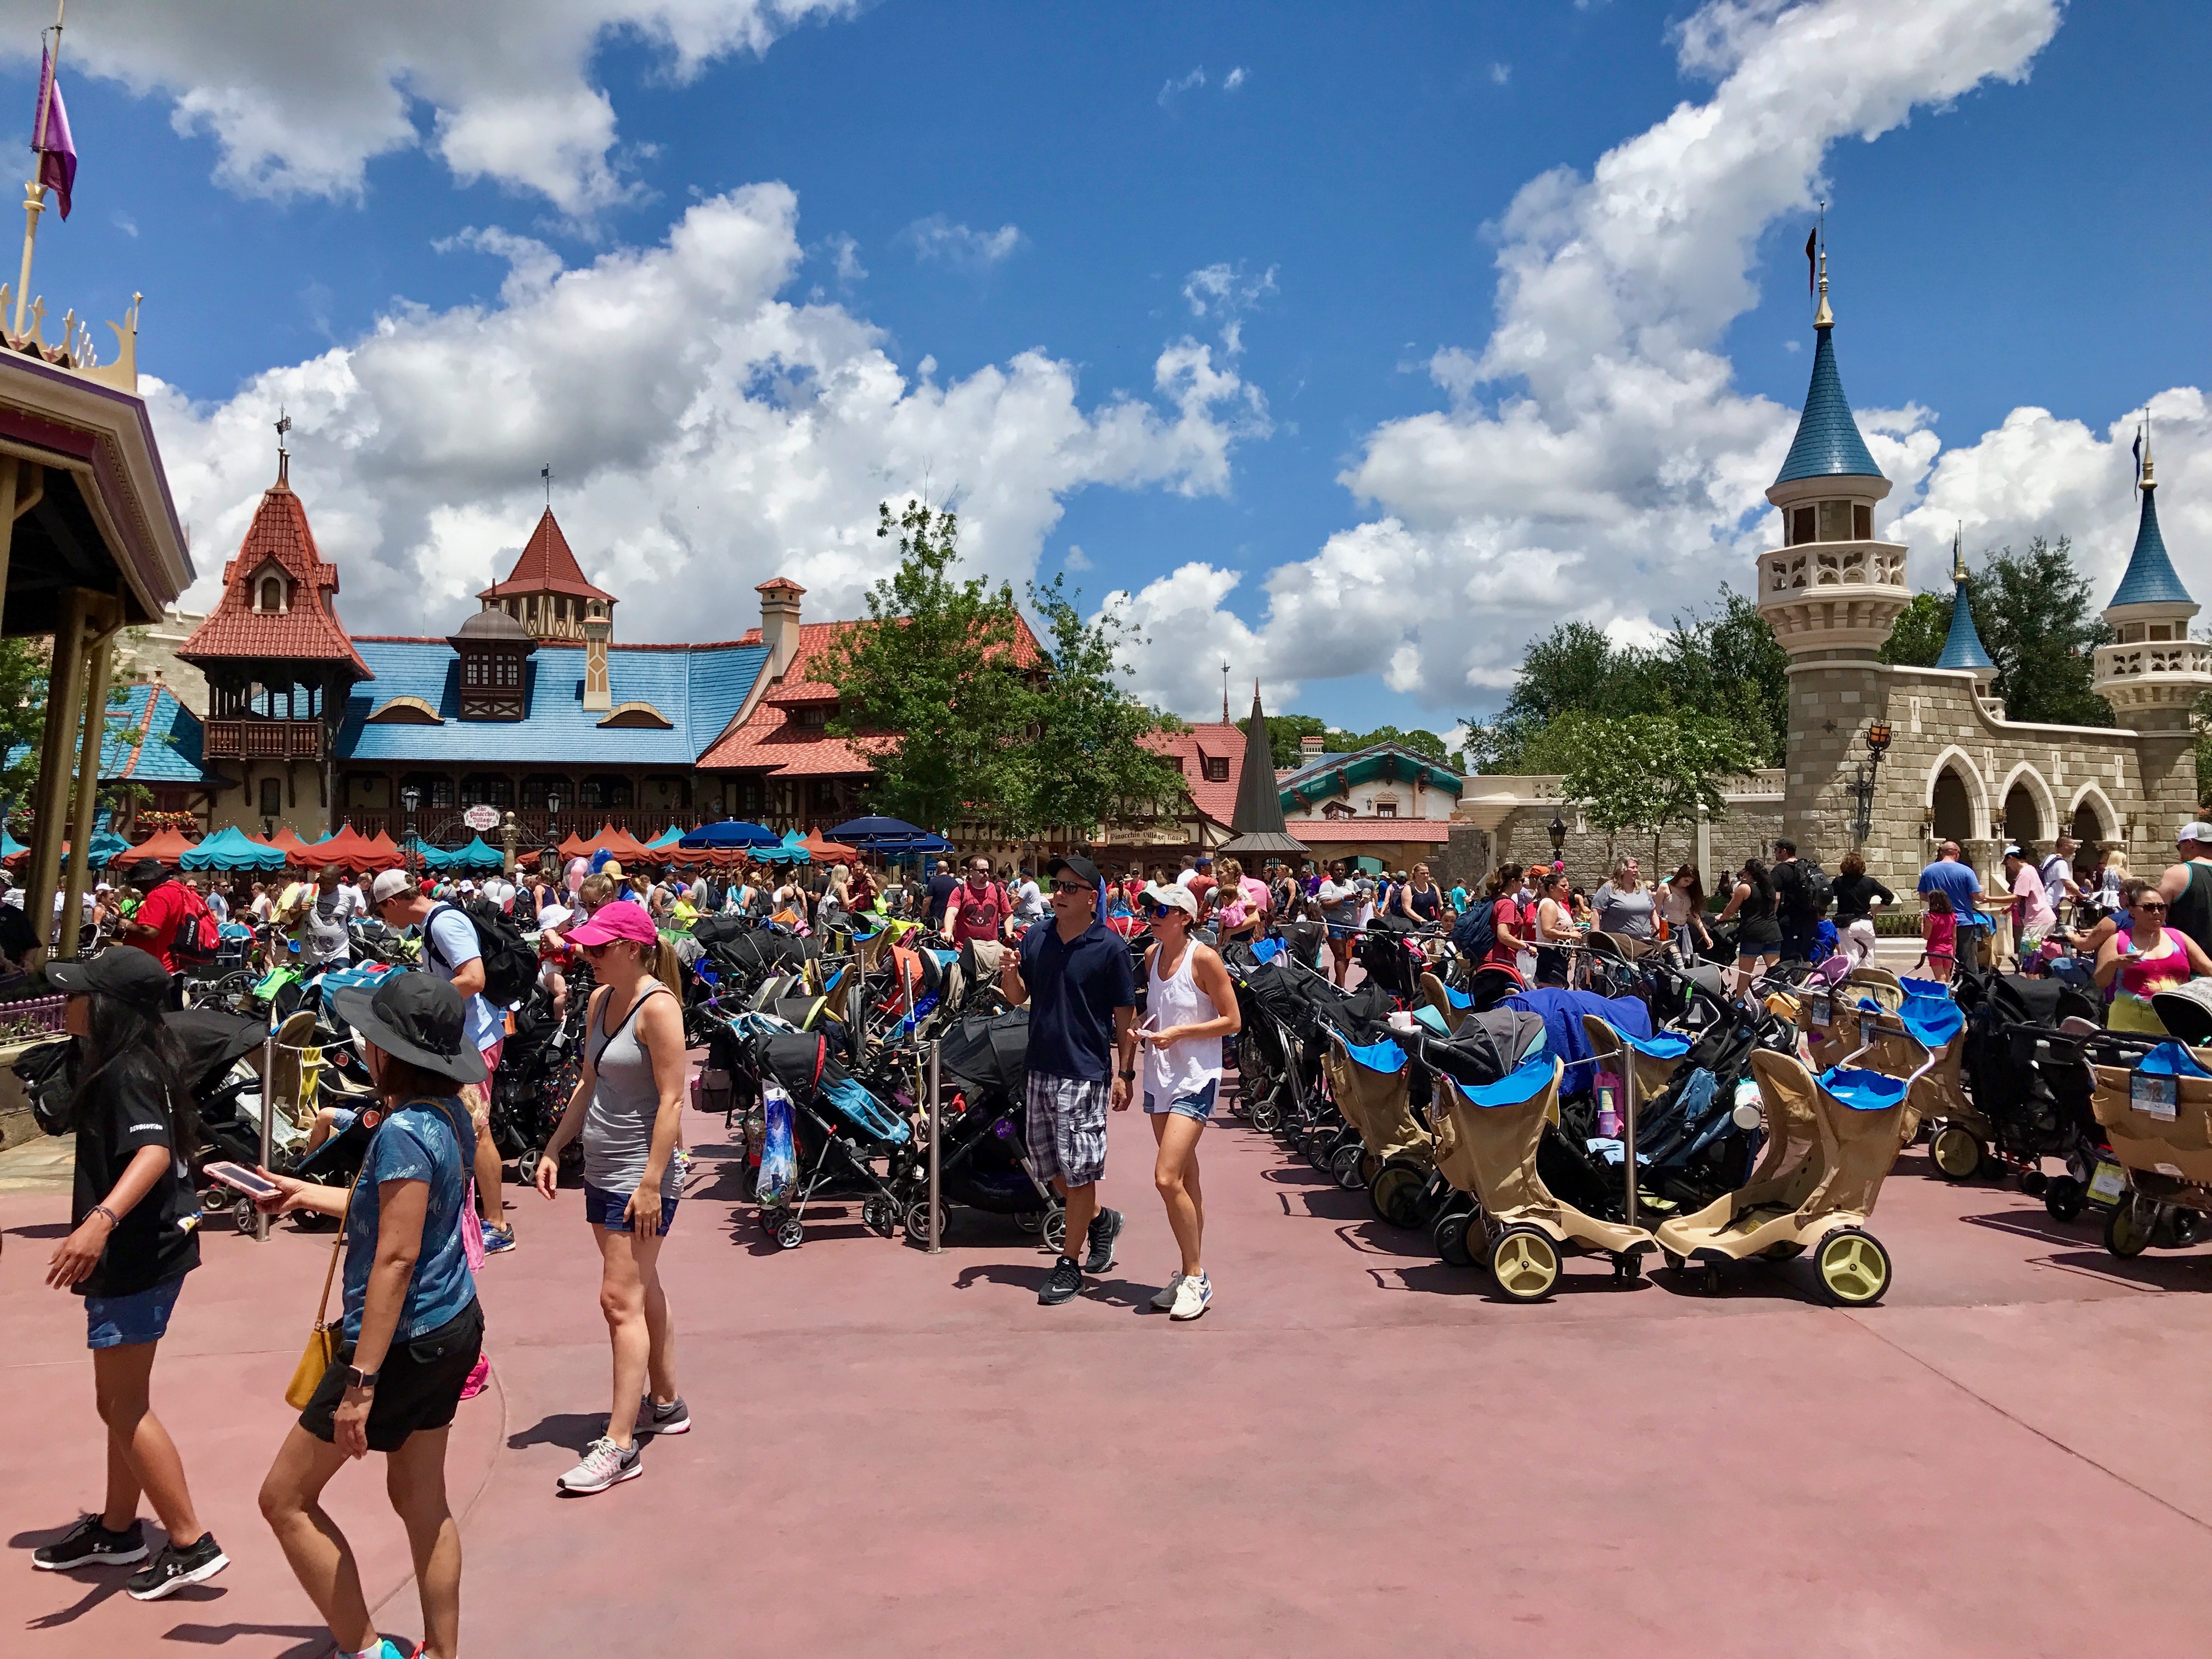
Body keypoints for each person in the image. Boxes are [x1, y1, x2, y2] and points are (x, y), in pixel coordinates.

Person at [254, 973, 485, 1659]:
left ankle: (369, 1651)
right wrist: (302, 1192)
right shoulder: (451, 1115)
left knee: (285, 1500)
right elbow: (399, 1212)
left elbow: (395, 1256)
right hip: (452, 1324)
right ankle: (442, 1652)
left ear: (391, 1052)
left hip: (400, 1343)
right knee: (422, 1499)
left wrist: (360, 1383)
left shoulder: (405, 1132)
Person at [31, 950, 227, 1600]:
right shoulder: (134, 1060)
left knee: (123, 1404)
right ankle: (119, 1530)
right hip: (155, 1249)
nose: (68, 1002)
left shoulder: (127, 1072)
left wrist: (100, 1220)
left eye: (80, 993)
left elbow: (152, 1149)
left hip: (138, 1254)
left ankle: (190, 1542)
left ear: (109, 1007)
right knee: (118, 1401)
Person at [530, 901, 691, 1492]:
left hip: (639, 1177)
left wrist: (651, 1182)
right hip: (601, 1168)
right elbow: (588, 1083)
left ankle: (621, 1446)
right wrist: (553, 1147)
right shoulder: (600, 1002)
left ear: (632, 948)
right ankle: (667, 1402)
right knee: (640, 1288)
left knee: (617, 1301)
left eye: (598, 949)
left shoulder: (660, 1010)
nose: (587, 957)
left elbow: (673, 1100)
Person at [998, 855, 1138, 1307]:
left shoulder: (1109, 947)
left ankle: (1069, 1264)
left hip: (1084, 1071)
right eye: (1056, 885)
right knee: (1049, 1169)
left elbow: (1124, 1015)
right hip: (1039, 1067)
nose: (1058, 894)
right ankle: (1100, 1220)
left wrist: (1124, 1073)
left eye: (1070, 888)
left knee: (1078, 1175)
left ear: (1091, 899)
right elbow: (1021, 998)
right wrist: (1008, 973)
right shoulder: (1038, 937)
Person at [370, 871, 515, 1256]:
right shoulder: (434, 922)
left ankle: (498, 1224)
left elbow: (475, 978)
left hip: (476, 1041)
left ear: (393, 902)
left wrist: (422, 1001)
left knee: (476, 1130)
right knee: (466, 1128)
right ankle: (471, 1216)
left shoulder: (444, 922)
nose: (386, 922)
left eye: (382, 912)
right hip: (463, 1040)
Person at [1133, 883, 1239, 1320]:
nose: (1153, 914)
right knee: (1186, 1180)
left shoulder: (1205, 958)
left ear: (1185, 917)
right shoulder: (1150, 957)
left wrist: (1178, 1034)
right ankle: (1187, 1271)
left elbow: (1232, 1020)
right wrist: (1142, 1028)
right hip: (1160, 1076)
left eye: (1163, 909)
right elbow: (1159, 1010)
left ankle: (1196, 1276)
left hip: (1196, 1077)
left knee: (1165, 1177)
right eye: (1151, 908)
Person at [2097, 878, 2212, 1034]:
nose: (2157, 912)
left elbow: (2209, 970)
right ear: (2131, 911)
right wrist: (2114, 964)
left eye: (2161, 907)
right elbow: (2101, 981)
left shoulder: (2179, 938)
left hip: (2177, 1029)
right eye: (2149, 908)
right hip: (2130, 1031)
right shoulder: (2118, 940)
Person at [117, 857, 190, 1005]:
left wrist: (127, 925)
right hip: (173, 966)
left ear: (149, 879)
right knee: (172, 1018)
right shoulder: (178, 891)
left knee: (155, 1020)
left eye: (139, 883)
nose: (138, 887)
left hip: (157, 969)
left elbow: (150, 930)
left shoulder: (158, 895)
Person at [1917, 840, 1990, 968]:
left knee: (1944, 962)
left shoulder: (1928, 871)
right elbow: (1978, 897)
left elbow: (1923, 896)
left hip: (1938, 924)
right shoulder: (1966, 871)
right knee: (1967, 962)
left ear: (1941, 853)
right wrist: (1983, 889)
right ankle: (1967, 986)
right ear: (1957, 853)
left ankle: (1946, 985)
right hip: (1963, 921)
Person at [1717, 857, 1781, 999]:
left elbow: (1730, 910)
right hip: (1772, 931)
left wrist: (1720, 918)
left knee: (1745, 973)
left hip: (1753, 933)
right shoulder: (1770, 888)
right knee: (1775, 972)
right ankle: (1778, 1001)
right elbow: (1776, 903)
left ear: (1748, 872)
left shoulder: (1745, 888)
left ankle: (1739, 1003)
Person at [2157, 823, 2212, 963]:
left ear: (2190, 844)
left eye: (2179, 847)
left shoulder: (2177, 874)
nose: (2179, 853)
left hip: (2191, 968)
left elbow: (2153, 914)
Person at [1830, 850, 1893, 968]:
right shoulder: (1869, 882)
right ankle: (1868, 984)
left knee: (1851, 959)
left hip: (1847, 924)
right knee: (1868, 960)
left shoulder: (1839, 882)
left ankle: (1852, 983)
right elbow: (1889, 896)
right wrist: (1876, 910)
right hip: (1865, 923)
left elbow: (1827, 896)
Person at [1769, 838, 1820, 964]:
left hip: (1789, 921)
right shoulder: (1807, 867)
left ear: (1784, 851)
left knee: (1788, 959)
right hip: (1810, 919)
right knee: (1806, 957)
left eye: (1776, 850)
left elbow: (1776, 897)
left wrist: (1772, 917)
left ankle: (1790, 982)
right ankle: (1806, 982)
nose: (1775, 853)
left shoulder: (1780, 870)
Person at [2003, 843, 2056, 964]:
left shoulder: (2024, 873)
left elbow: (2017, 897)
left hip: (2037, 921)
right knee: (2038, 957)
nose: (2008, 867)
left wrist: (1989, 899)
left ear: (2011, 858)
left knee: (2030, 959)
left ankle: (2035, 982)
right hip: (2044, 918)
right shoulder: (2031, 869)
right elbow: (2029, 896)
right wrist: (2011, 907)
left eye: (2007, 863)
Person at [945, 856, 1011, 945]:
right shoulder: (960, 891)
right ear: (971, 872)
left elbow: (1007, 914)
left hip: (991, 947)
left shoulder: (998, 891)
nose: (986, 874)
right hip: (963, 947)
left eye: (988, 871)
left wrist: (1009, 933)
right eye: (982, 871)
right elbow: (951, 913)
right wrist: (948, 932)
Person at [1532, 868, 1582, 985]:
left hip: (1559, 957)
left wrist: (1573, 929)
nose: (1567, 889)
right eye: (1563, 886)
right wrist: (1571, 934)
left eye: (1568, 886)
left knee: (1558, 991)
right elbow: (1547, 931)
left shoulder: (1558, 904)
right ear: (1552, 888)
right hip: (1550, 957)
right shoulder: (1549, 905)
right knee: (1552, 992)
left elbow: (1558, 927)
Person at [1316, 860, 1361, 985]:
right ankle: (1342, 987)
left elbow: (1360, 901)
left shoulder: (1352, 884)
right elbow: (1325, 904)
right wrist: (1342, 900)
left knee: (1347, 956)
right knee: (1340, 955)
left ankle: (1337, 985)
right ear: (1331, 872)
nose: (1340, 872)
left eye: (1342, 870)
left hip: (1351, 925)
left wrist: (1362, 899)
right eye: (1337, 870)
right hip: (1335, 923)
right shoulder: (1327, 885)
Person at [1592, 856, 1656, 942]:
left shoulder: (1642, 888)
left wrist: (1660, 931)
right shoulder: (1608, 889)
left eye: (1637, 867)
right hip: (1619, 943)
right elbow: (1595, 912)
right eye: (1632, 868)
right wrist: (1596, 937)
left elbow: (1653, 912)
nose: (1636, 870)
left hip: (1644, 941)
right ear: (1622, 871)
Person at [1657, 865, 1710, 968]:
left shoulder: (1689, 891)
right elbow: (1656, 913)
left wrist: (1705, 934)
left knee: (1687, 964)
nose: (1687, 884)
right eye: (1686, 881)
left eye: (1691, 883)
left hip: (1684, 932)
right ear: (1680, 876)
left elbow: (1694, 915)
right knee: (1678, 964)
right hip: (1669, 930)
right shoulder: (1665, 887)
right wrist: (1658, 931)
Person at [303, 866, 353, 970]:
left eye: (329, 883)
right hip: (312, 955)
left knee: (336, 984)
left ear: (338, 882)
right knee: (311, 986)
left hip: (339, 952)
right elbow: (290, 915)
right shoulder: (308, 890)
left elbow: (347, 917)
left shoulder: (350, 895)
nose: (324, 886)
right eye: (322, 881)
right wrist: (300, 910)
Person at [1914, 890, 1957, 985]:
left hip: (1935, 950)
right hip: (1949, 949)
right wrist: (1954, 951)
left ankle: (1942, 997)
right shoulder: (1952, 917)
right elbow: (1954, 937)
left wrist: (1922, 923)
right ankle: (1949, 996)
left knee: (1940, 978)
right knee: (1947, 977)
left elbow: (1926, 936)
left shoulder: (1932, 918)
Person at [1395, 862, 1446, 929]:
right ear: (1415, 874)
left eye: (1427, 873)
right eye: (1422, 873)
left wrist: (1448, 913)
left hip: (1432, 925)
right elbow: (1407, 909)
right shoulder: (1409, 889)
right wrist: (1421, 920)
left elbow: (1441, 905)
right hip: (1414, 927)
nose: (1426, 875)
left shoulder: (1433, 887)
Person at [925, 859, 960, 932]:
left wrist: (923, 915)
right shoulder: (955, 883)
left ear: (937, 870)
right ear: (948, 869)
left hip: (936, 920)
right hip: (951, 919)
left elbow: (927, 901)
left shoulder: (933, 883)